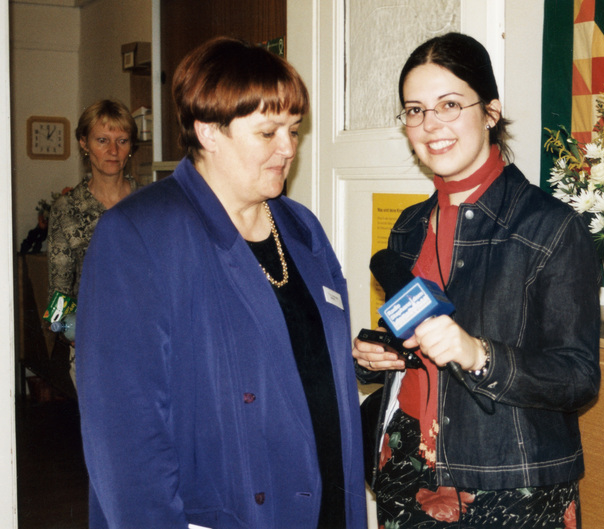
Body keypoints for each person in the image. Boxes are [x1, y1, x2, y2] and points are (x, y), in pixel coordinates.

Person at [77, 37, 367, 529]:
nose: (289, 148)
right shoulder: (139, 234)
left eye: (294, 130)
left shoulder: (302, 229)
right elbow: (124, 436)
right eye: (268, 132)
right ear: (209, 131)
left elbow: (306, 364)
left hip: (328, 508)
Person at [352, 33, 601, 528]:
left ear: (490, 111)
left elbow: (578, 379)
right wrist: (376, 358)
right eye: (415, 110)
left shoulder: (550, 227)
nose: (431, 125)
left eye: (449, 104)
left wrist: (479, 354)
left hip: (510, 483)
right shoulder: (408, 227)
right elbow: (417, 341)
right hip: (406, 468)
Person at [47, 99, 139, 388]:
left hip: (149, 344)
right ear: (84, 143)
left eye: (122, 141)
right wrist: (66, 330)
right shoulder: (66, 209)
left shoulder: (150, 203)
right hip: (93, 351)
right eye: (102, 140)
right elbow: (58, 293)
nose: (113, 150)